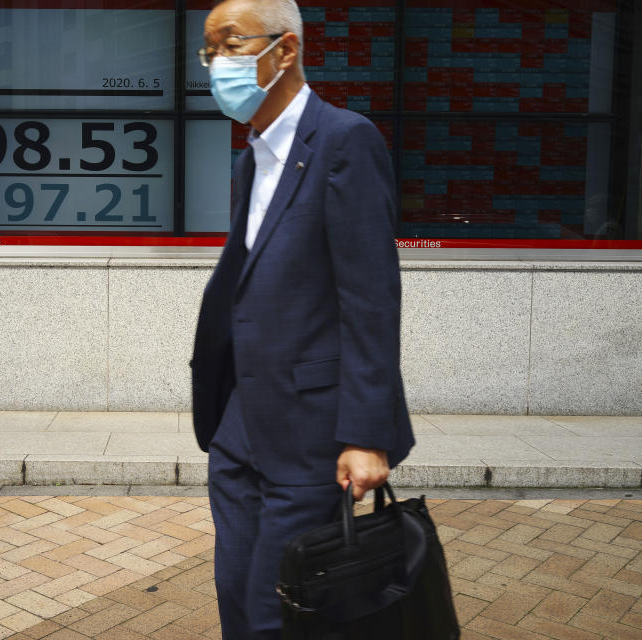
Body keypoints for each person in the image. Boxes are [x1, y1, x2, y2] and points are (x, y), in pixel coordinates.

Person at [189, 0, 415, 638]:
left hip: (311, 432)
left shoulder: (345, 140)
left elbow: (370, 295)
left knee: (279, 611)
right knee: (235, 598)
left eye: (230, 45)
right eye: (211, 52)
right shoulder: (249, 159)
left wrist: (367, 433)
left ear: (284, 50)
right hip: (238, 427)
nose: (217, 66)